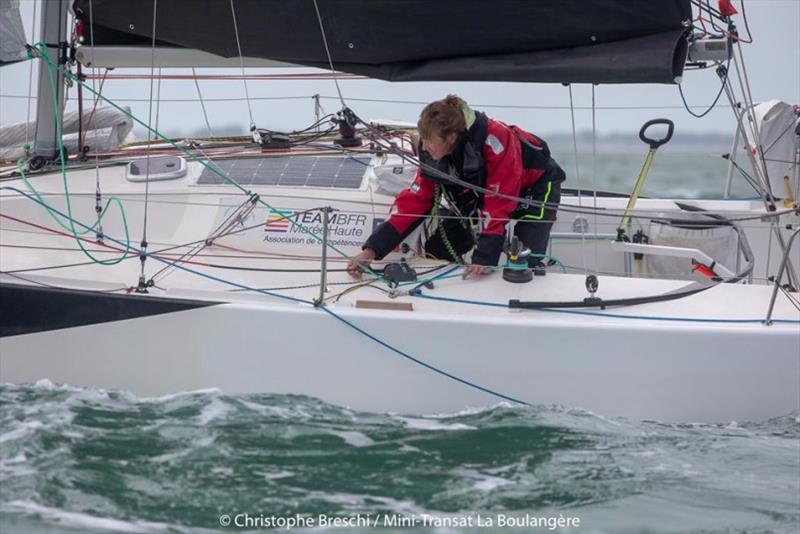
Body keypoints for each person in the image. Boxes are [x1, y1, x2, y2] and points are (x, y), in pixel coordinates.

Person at [347, 95, 565, 279]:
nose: (424, 146)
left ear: (451, 137)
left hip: (535, 188)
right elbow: (415, 201)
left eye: (429, 140)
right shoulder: (435, 153)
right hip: (480, 192)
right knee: (437, 249)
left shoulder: (496, 141)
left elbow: (500, 201)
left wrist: (484, 259)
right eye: (422, 140)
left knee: (524, 265)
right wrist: (371, 250)